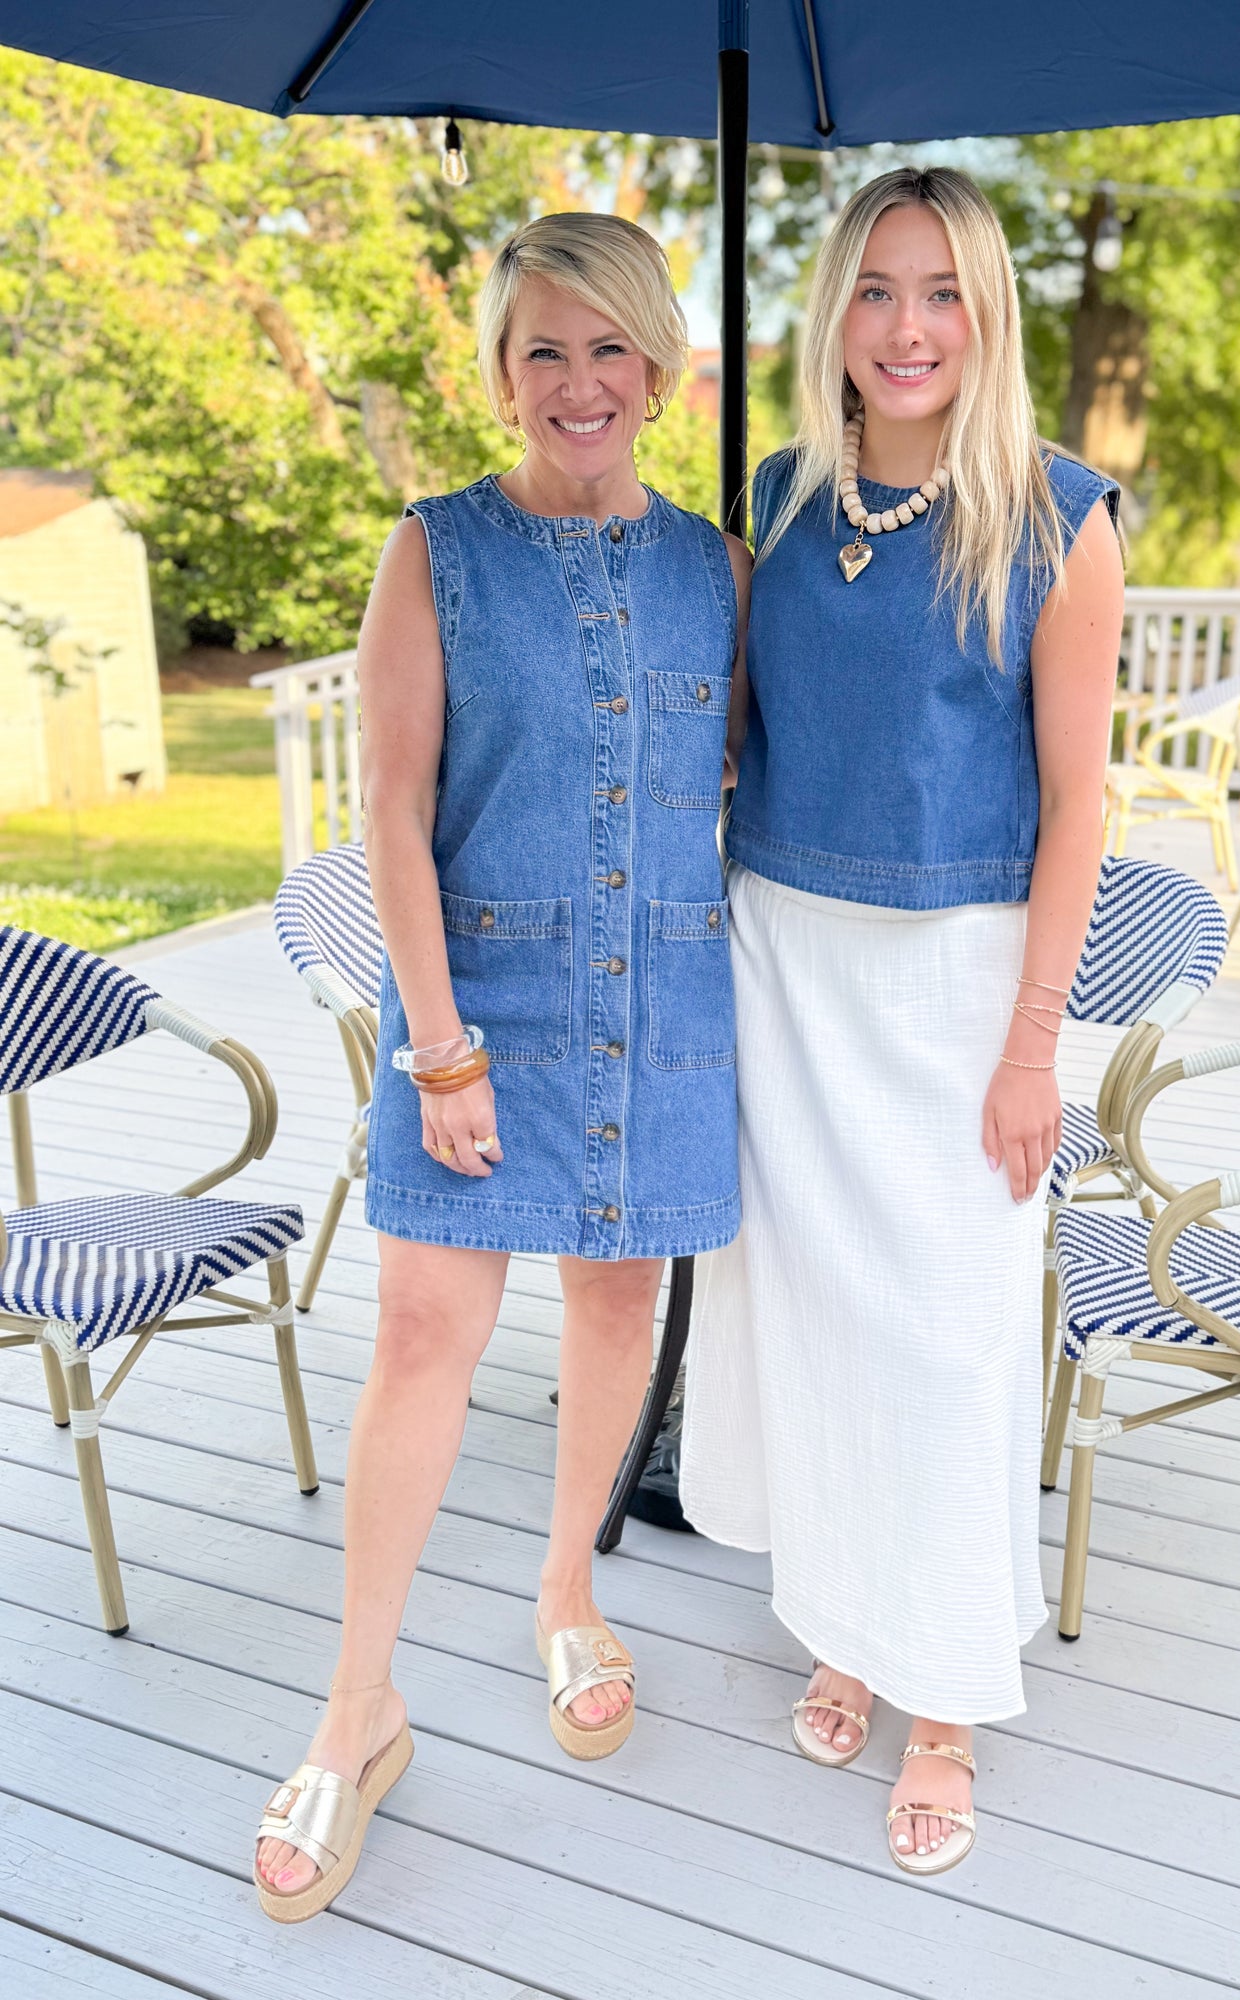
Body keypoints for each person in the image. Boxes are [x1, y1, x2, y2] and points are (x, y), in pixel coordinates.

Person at [254, 211, 748, 1922]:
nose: (580, 381)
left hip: (666, 1013)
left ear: (662, 368)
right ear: (500, 373)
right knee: (425, 1336)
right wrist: (441, 1045)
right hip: (481, 1021)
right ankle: (358, 1705)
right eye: (544, 349)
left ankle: (565, 1595)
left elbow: (742, 791)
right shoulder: (434, 550)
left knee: (618, 1308)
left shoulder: (718, 568)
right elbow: (390, 805)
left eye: (611, 347)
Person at [681, 166, 1123, 1876]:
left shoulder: (1060, 519)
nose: (909, 327)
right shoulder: (778, 505)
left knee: (945, 1333)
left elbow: (1080, 806)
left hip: (956, 991)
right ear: (834, 318)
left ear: (989, 315)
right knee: (815, 1322)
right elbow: (738, 738)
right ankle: (850, 1621)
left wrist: (1034, 1047)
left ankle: (945, 1695)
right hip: (783, 961)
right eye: (876, 290)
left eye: (942, 292)